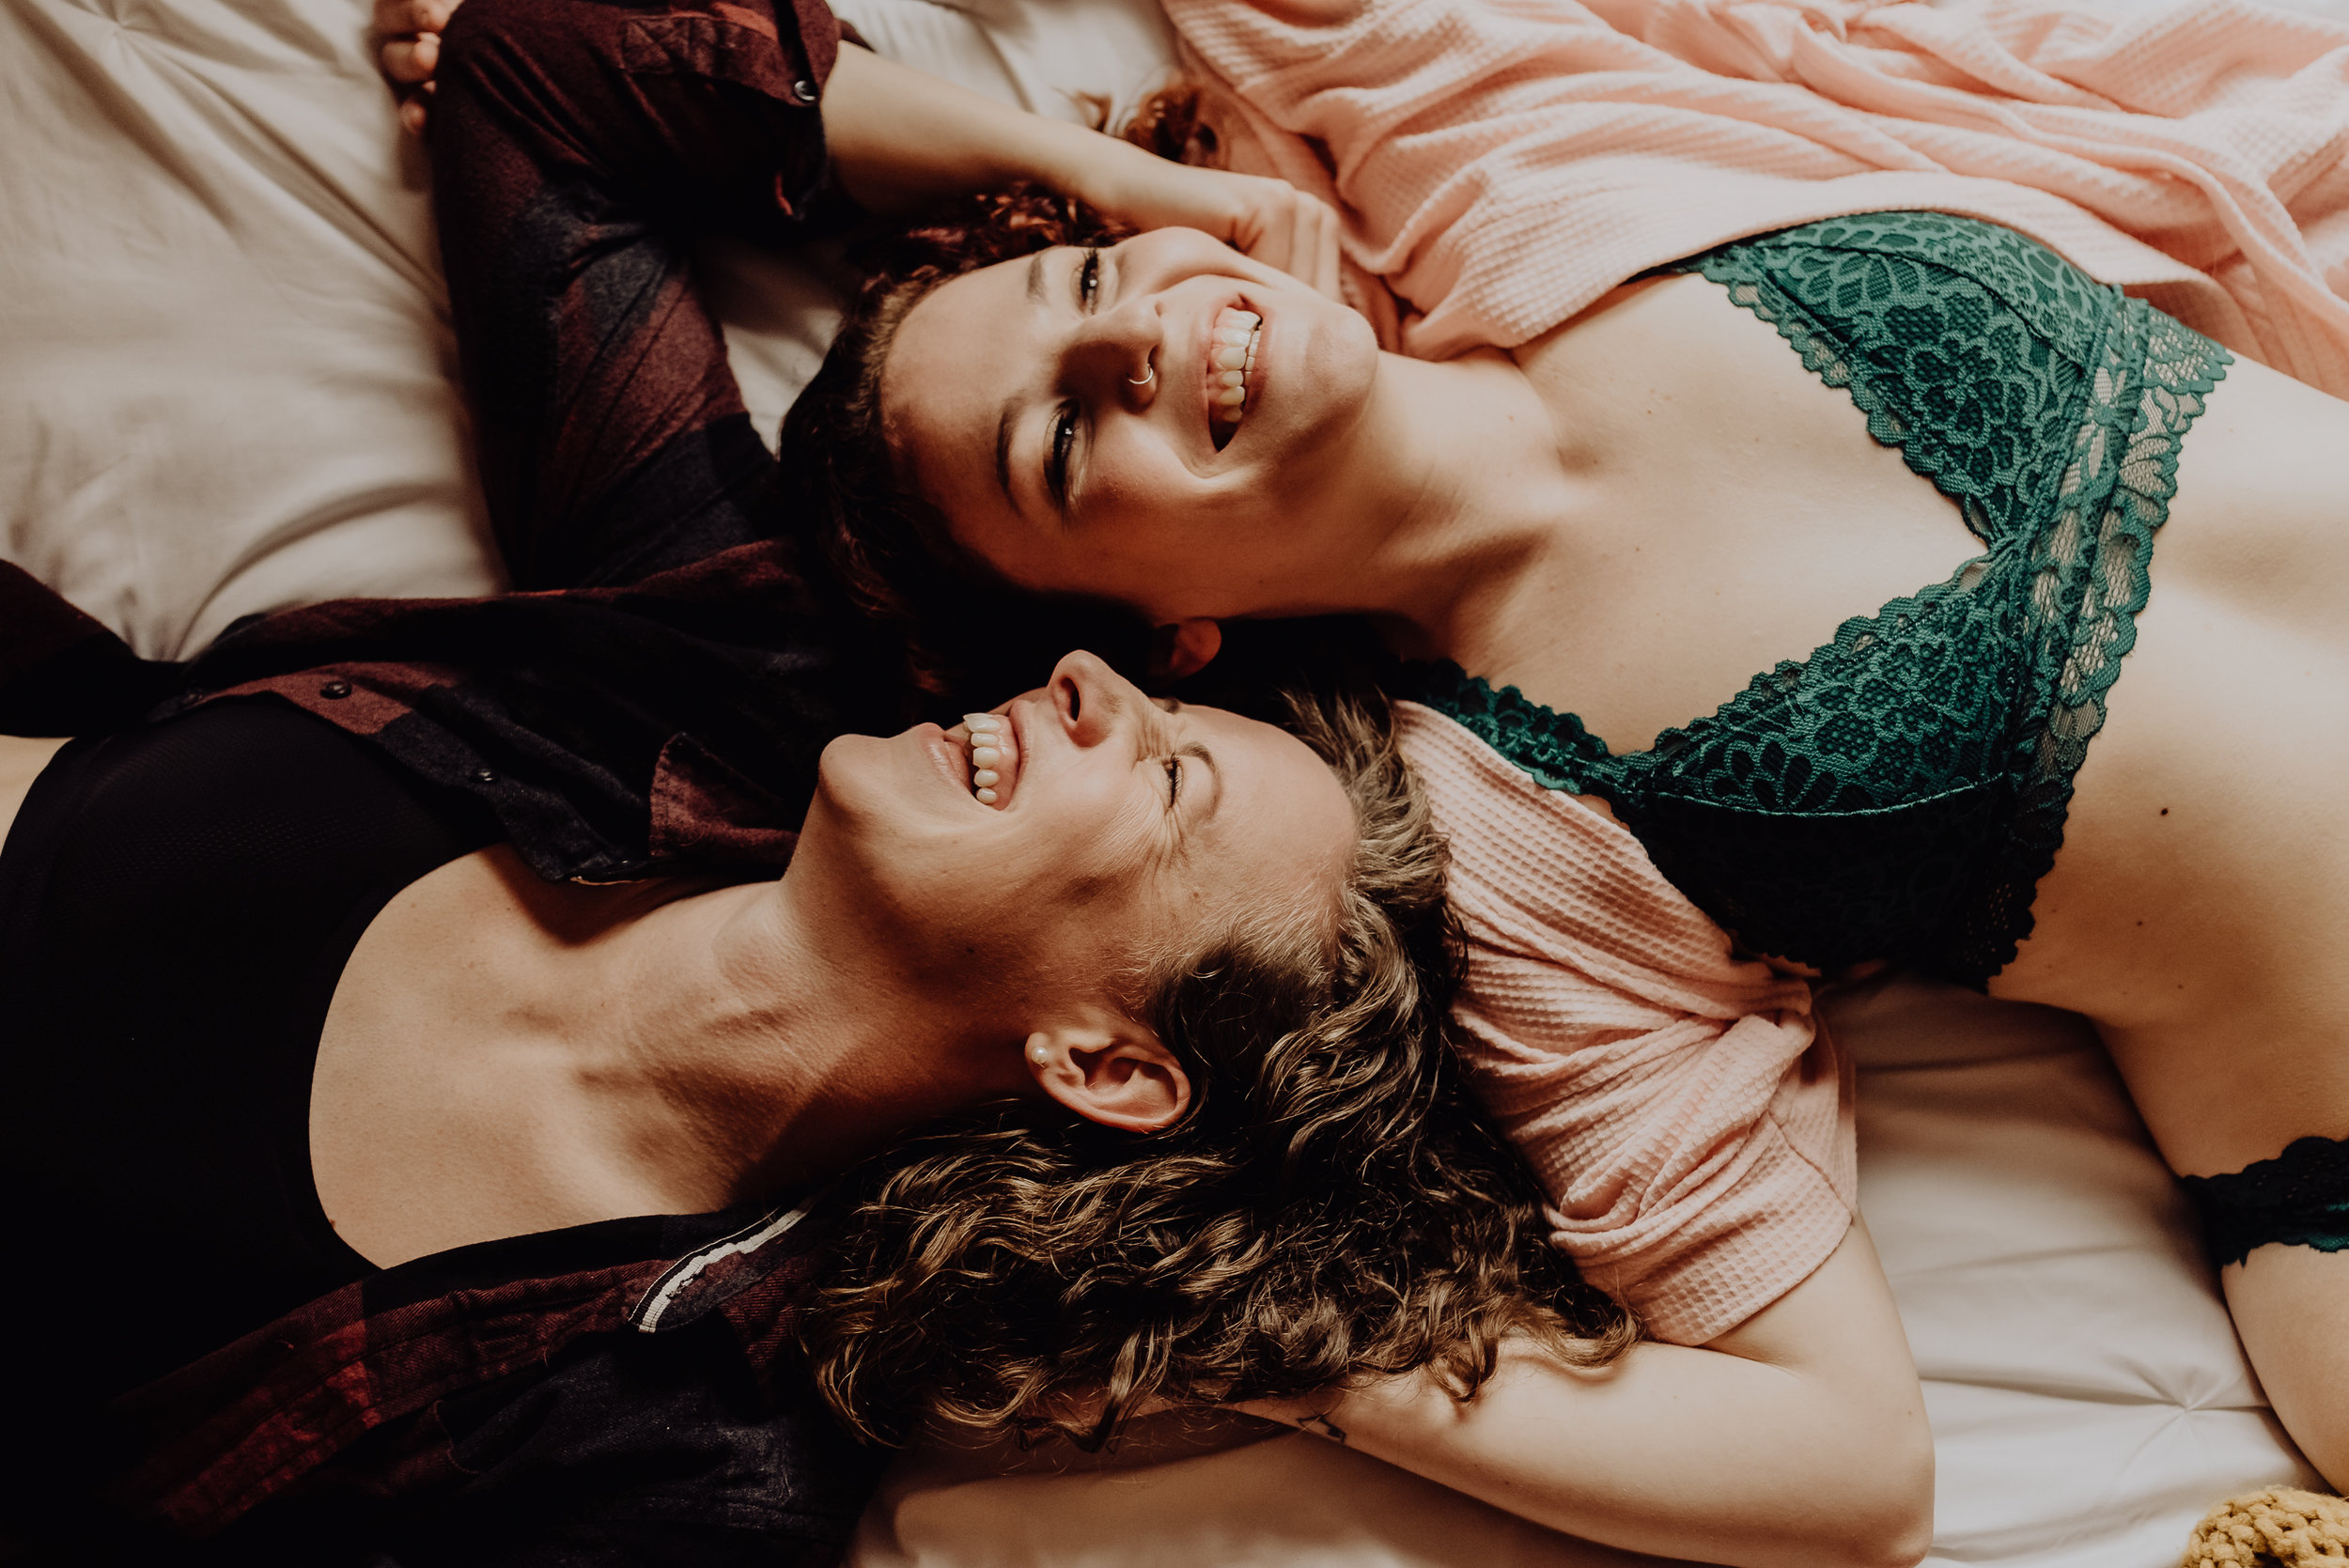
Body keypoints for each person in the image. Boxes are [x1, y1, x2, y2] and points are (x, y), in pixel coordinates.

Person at [0, 0, 1627, 1560]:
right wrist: (1148, 197)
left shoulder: (668, 1455)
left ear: (1111, 1067)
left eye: (1173, 781)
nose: (1089, 686)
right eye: (1148, 693)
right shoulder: (722, 684)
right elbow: (537, 76)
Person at [748, 0, 2349, 1539]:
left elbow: (538, 60)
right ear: (1165, 638)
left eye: (1087, 280)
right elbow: (1850, 1471)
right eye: (1066, 442)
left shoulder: (1491, 179)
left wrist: (1142, 189)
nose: (1133, 335)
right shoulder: (1519, 848)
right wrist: (1281, 1355)